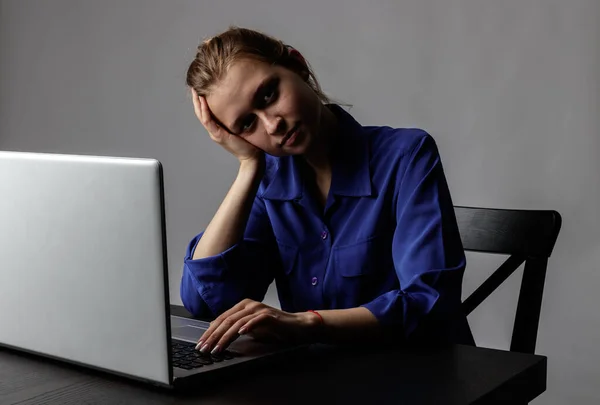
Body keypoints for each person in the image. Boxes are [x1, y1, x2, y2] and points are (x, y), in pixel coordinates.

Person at [181, 26, 474, 355]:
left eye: (268, 95)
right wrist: (249, 165)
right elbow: (202, 302)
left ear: (297, 65)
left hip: (421, 377)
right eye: (247, 124)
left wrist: (308, 323)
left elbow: (429, 302)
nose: (272, 124)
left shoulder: (407, 156)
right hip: (320, 380)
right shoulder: (269, 185)